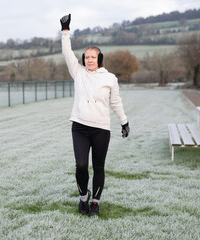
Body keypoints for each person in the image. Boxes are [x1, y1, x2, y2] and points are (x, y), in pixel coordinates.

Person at [60, 14, 130, 217]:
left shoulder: (110, 78)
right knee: (81, 165)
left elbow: (115, 102)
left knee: (98, 167)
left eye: (93, 57)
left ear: (99, 59)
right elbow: (67, 53)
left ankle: (95, 204)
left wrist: (124, 122)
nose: (89, 60)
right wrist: (65, 31)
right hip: (80, 127)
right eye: (86, 57)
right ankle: (84, 197)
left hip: (101, 129)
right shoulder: (78, 72)